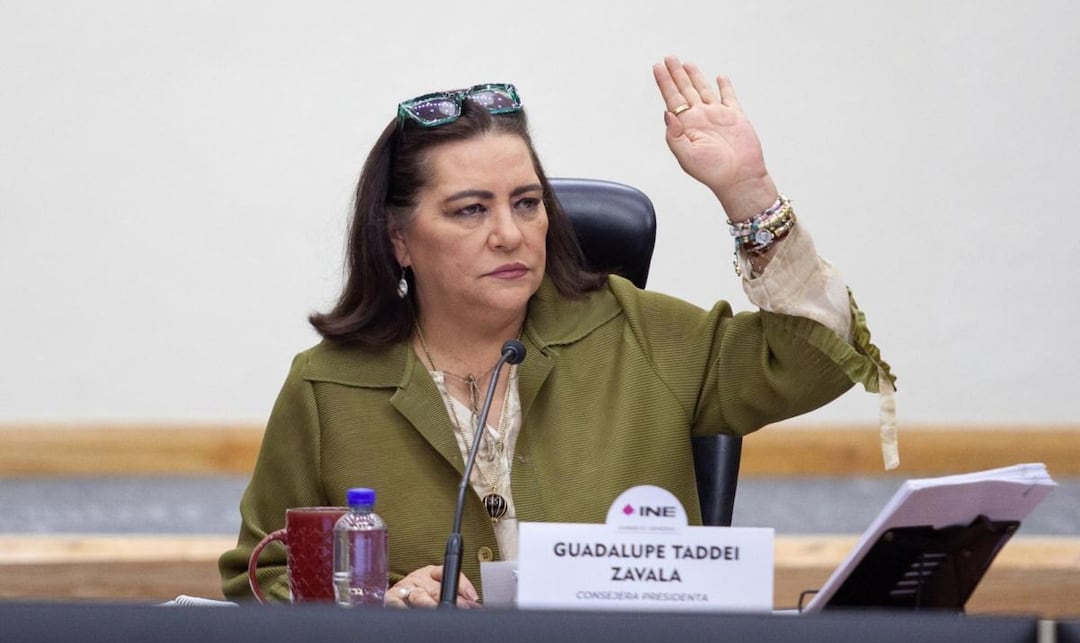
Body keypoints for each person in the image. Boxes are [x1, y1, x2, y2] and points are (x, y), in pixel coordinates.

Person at [219, 56, 895, 607]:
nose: (509, 234)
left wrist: (749, 192)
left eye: (527, 203)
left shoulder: (640, 334)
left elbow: (823, 358)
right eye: (469, 210)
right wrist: (372, 605)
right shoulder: (327, 385)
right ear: (399, 240)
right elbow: (261, 576)